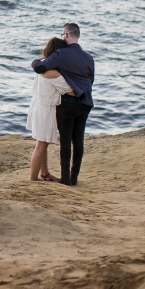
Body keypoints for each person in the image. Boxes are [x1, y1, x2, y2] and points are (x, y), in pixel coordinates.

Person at [31, 23, 95, 186]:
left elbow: (41, 67)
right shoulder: (88, 57)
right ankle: (74, 177)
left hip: (68, 103)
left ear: (66, 35)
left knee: (66, 140)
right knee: (78, 140)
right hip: (86, 102)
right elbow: (91, 79)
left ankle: (65, 178)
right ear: (77, 35)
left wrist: (36, 61)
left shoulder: (61, 53)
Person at [27, 36, 74, 182]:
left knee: (42, 143)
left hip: (38, 104)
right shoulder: (53, 72)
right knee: (41, 146)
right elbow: (70, 91)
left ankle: (45, 173)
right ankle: (33, 178)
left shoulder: (41, 63)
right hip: (46, 110)